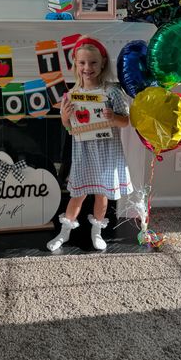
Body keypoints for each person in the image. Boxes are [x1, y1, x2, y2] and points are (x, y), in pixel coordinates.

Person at [47, 36, 133, 252]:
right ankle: (64, 233)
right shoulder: (72, 95)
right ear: (76, 64)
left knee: (102, 195)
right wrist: (65, 118)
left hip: (107, 151)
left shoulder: (112, 91)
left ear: (102, 62)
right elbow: (70, 128)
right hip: (83, 151)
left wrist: (113, 117)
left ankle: (97, 232)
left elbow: (126, 121)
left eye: (93, 62)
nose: (88, 67)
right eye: (83, 62)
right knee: (77, 195)